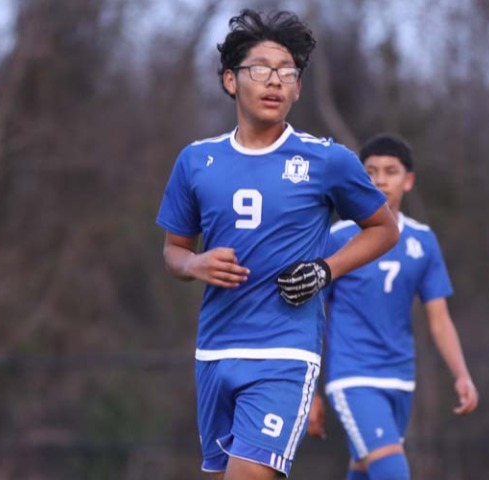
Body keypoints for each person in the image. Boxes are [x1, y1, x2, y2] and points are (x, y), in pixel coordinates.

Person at [155, 9, 399, 480]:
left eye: (287, 73)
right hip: (215, 351)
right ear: (230, 80)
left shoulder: (326, 160)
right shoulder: (196, 161)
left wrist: (326, 270)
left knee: (249, 474)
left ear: (298, 88)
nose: (274, 81)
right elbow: (173, 252)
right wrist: (195, 264)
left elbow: (384, 229)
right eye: (261, 69)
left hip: (286, 352)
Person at [310, 134, 479, 479]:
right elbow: (312, 317)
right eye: (371, 172)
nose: (380, 180)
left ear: (408, 180)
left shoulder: (423, 241)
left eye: (391, 171)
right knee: (391, 468)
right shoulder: (338, 239)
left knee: (365, 467)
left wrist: (461, 374)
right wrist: (309, 391)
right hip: (353, 375)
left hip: (401, 377)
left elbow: (439, 320)